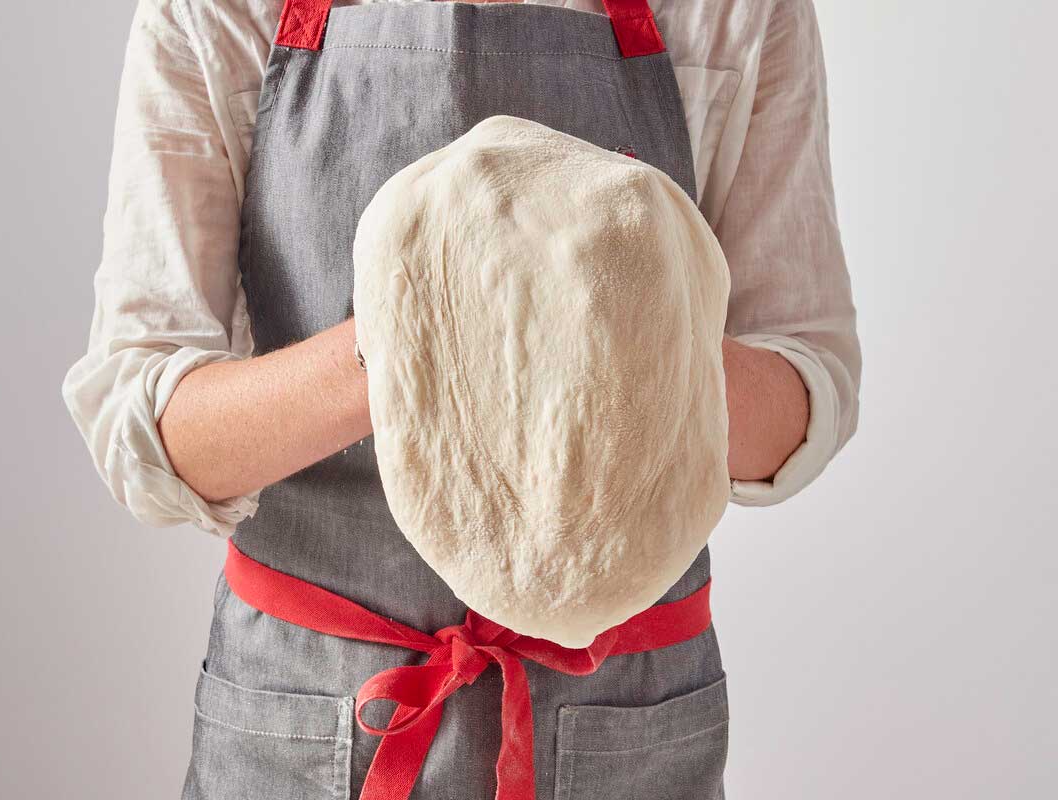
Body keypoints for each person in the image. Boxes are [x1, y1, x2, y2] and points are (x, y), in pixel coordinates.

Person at [61, 0, 860, 797]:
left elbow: (804, 392)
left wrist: (617, 322)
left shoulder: (733, 13)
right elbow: (156, 436)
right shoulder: (220, 11)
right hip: (311, 712)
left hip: (624, 726)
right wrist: (423, 332)